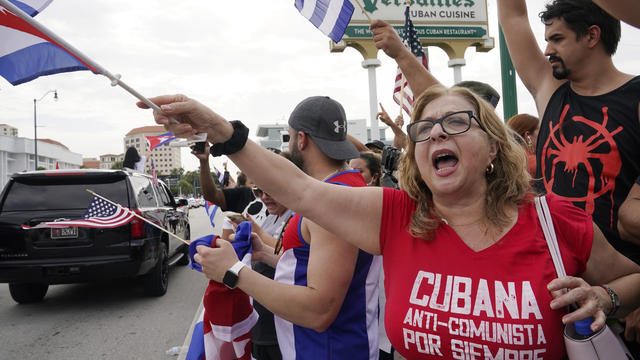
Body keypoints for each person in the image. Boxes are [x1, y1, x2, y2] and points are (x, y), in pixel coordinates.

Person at [140, 85, 640, 358]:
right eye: (423, 129)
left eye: (457, 122)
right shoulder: (399, 216)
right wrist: (225, 133)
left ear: (493, 149)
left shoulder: (557, 223)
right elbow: (300, 190)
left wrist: (608, 297)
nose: (435, 133)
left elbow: (632, 277)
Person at [151, 95, 382, 359]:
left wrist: (233, 271)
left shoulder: (334, 201)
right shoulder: (344, 188)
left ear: (301, 140)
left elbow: (319, 310)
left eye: (290, 136)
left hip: (326, 350)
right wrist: (264, 254)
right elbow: (314, 266)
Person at [498, 0, 640, 345]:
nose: (547, 49)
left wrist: (635, 298)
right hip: (552, 284)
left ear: (592, 36)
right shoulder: (552, 92)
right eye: (546, 38)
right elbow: (513, 16)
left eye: (558, 39)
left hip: (622, 287)